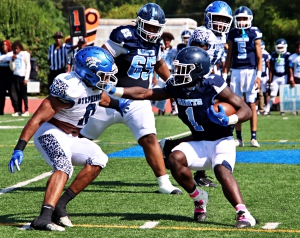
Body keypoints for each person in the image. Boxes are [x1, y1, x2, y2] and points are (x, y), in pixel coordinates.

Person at [107, 46, 256, 228]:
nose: (177, 72)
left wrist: (229, 119)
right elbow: (145, 93)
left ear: (198, 69)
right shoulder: (176, 86)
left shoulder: (212, 83)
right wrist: (114, 90)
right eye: (177, 68)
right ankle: (199, 198)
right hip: (199, 141)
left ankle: (244, 214)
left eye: (183, 69)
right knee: (174, 159)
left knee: (221, 171)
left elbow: (246, 110)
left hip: (220, 140)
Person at [7, 46, 130, 231]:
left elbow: (101, 98)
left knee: (99, 159)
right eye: (102, 75)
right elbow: (38, 118)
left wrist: (118, 104)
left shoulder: (92, 86)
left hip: (71, 136)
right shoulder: (70, 87)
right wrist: (19, 147)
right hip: (51, 132)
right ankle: (44, 217)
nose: (107, 79)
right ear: (87, 72)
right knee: (63, 165)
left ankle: (60, 205)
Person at [79, 3, 182, 195]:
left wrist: (171, 81)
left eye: (155, 28)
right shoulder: (123, 36)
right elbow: (101, 57)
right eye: (148, 26)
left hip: (139, 101)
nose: (152, 32)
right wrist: (99, 86)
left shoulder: (156, 43)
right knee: (82, 137)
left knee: (149, 138)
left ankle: (164, 183)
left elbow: (158, 62)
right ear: (139, 23)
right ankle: (60, 167)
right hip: (110, 98)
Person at [160, 1, 233, 187]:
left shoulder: (221, 35)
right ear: (208, 17)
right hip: (197, 81)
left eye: (225, 20)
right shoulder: (203, 33)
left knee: (208, 127)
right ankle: (183, 159)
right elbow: (196, 56)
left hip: (206, 80)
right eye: (217, 19)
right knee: (206, 127)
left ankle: (172, 149)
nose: (221, 23)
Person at [222, 6, 263, 148]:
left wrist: (258, 75)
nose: (242, 21)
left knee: (252, 104)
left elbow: (259, 57)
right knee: (236, 104)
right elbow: (229, 56)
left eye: (244, 18)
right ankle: (239, 138)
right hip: (236, 71)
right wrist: (224, 75)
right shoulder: (232, 33)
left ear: (250, 19)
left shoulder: (254, 33)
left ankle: (253, 136)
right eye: (239, 18)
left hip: (250, 72)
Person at [263, 38, 291, 116]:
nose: (280, 49)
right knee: (273, 94)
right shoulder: (273, 55)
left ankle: (283, 110)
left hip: (284, 76)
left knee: (283, 95)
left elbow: (289, 68)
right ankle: (267, 109)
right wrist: (270, 79)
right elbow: (271, 67)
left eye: (281, 47)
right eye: (279, 48)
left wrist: (289, 78)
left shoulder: (287, 55)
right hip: (276, 76)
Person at [157, 32, 178, 116]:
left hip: (171, 72)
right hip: (161, 72)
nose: (166, 42)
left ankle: (174, 109)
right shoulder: (159, 50)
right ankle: (161, 109)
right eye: (165, 40)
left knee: (172, 92)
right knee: (160, 91)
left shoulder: (174, 50)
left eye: (168, 41)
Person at [10, 40, 31, 117]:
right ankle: (18, 110)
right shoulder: (14, 56)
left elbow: (28, 66)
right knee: (15, 94)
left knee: (23, 95)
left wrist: (26, 78)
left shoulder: (24, 54)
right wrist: (12, 60)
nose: (16, 50)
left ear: (20, 48)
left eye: (17, 48)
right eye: (14, 49)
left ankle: (26, 110)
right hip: (15, 76)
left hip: (22, 76)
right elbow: (12, 68)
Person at [0, 40, 14, 115]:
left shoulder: (11, 54)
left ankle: (17, 110)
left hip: (10, 78)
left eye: (5, 45)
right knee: (1, 95)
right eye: (2, 45)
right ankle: (0, 110)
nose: (4, 46)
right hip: (1, 78)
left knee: (13, 94)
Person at [258, 40, 271, 114]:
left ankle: (265, 107)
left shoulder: (266, 54)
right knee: (259, 93)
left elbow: (269, 66)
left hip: (264, 76)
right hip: (258, 75)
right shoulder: (255, 53)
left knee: (265, 93)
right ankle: (260, 108)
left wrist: (269, 77)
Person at [288, 41, 300, 115]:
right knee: (296, 95)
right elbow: (290, 68)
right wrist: (291, 77)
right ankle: (295, 109)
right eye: (298, 48)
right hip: (297, 77)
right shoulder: (292, 57)